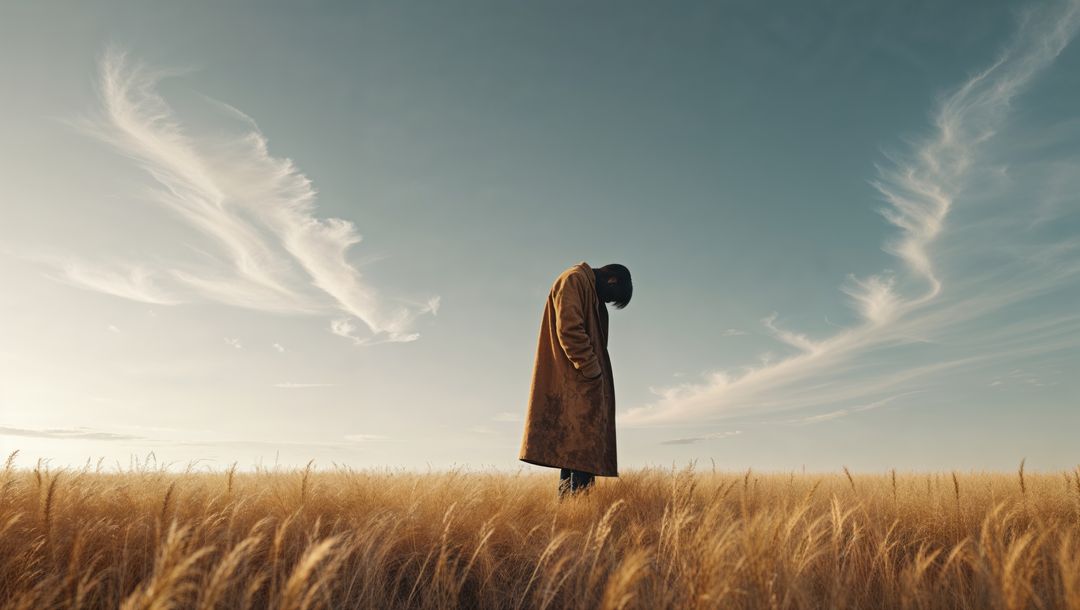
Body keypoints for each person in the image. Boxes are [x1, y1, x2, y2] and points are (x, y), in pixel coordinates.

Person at [518, 262, 632, 498]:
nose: (607, 301)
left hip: (578, 381)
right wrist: (592, 370)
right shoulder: (575, 280)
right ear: (612, 280)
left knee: (577, 451)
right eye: (611, 297)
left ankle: (572, 515)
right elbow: (569, 329)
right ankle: (575, 512)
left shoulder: (586, 287)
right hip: (577, 380)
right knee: (581, 449)